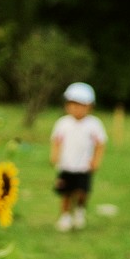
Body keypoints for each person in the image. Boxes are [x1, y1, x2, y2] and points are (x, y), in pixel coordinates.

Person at [50, 82, 107, 231]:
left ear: (89, 106)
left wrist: (96, 160)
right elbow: (56, 141)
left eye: (81, 105)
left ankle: (80, 210)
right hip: (66, 165)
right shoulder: (63, 123)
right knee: (66, 193)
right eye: (72, 104)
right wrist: (55, 156)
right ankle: (65, 216)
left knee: (82, 192)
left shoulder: (94, 124)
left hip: (84, 166)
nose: (76, 108)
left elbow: (100, 144)